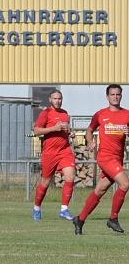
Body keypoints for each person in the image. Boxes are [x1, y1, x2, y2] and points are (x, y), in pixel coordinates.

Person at [73, 84, 129, 235]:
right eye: (112, 95)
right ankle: (113, 218)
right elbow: (90, 130)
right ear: (107, 97)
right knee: (125, 184)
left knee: (100, 189)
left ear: (121, 96)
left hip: (117, 159)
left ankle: (80, 219)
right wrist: (90, 141)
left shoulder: (127, 115)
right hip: (105, 157)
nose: (115, 97)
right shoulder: (100, 114)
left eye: (118, 94)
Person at [31, 90, 76, 221]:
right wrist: (53, 129)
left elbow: (66, 130)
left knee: (70, 176)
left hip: (65, 150)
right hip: (50, 152)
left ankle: (64, 209)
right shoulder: (46, 113)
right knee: (45, 182)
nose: (58, 101)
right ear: (50, 100)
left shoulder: (65, 114)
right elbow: (36, 131)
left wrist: (70, 133)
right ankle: (37, 208)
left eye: (60, 98)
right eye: (55, 98)